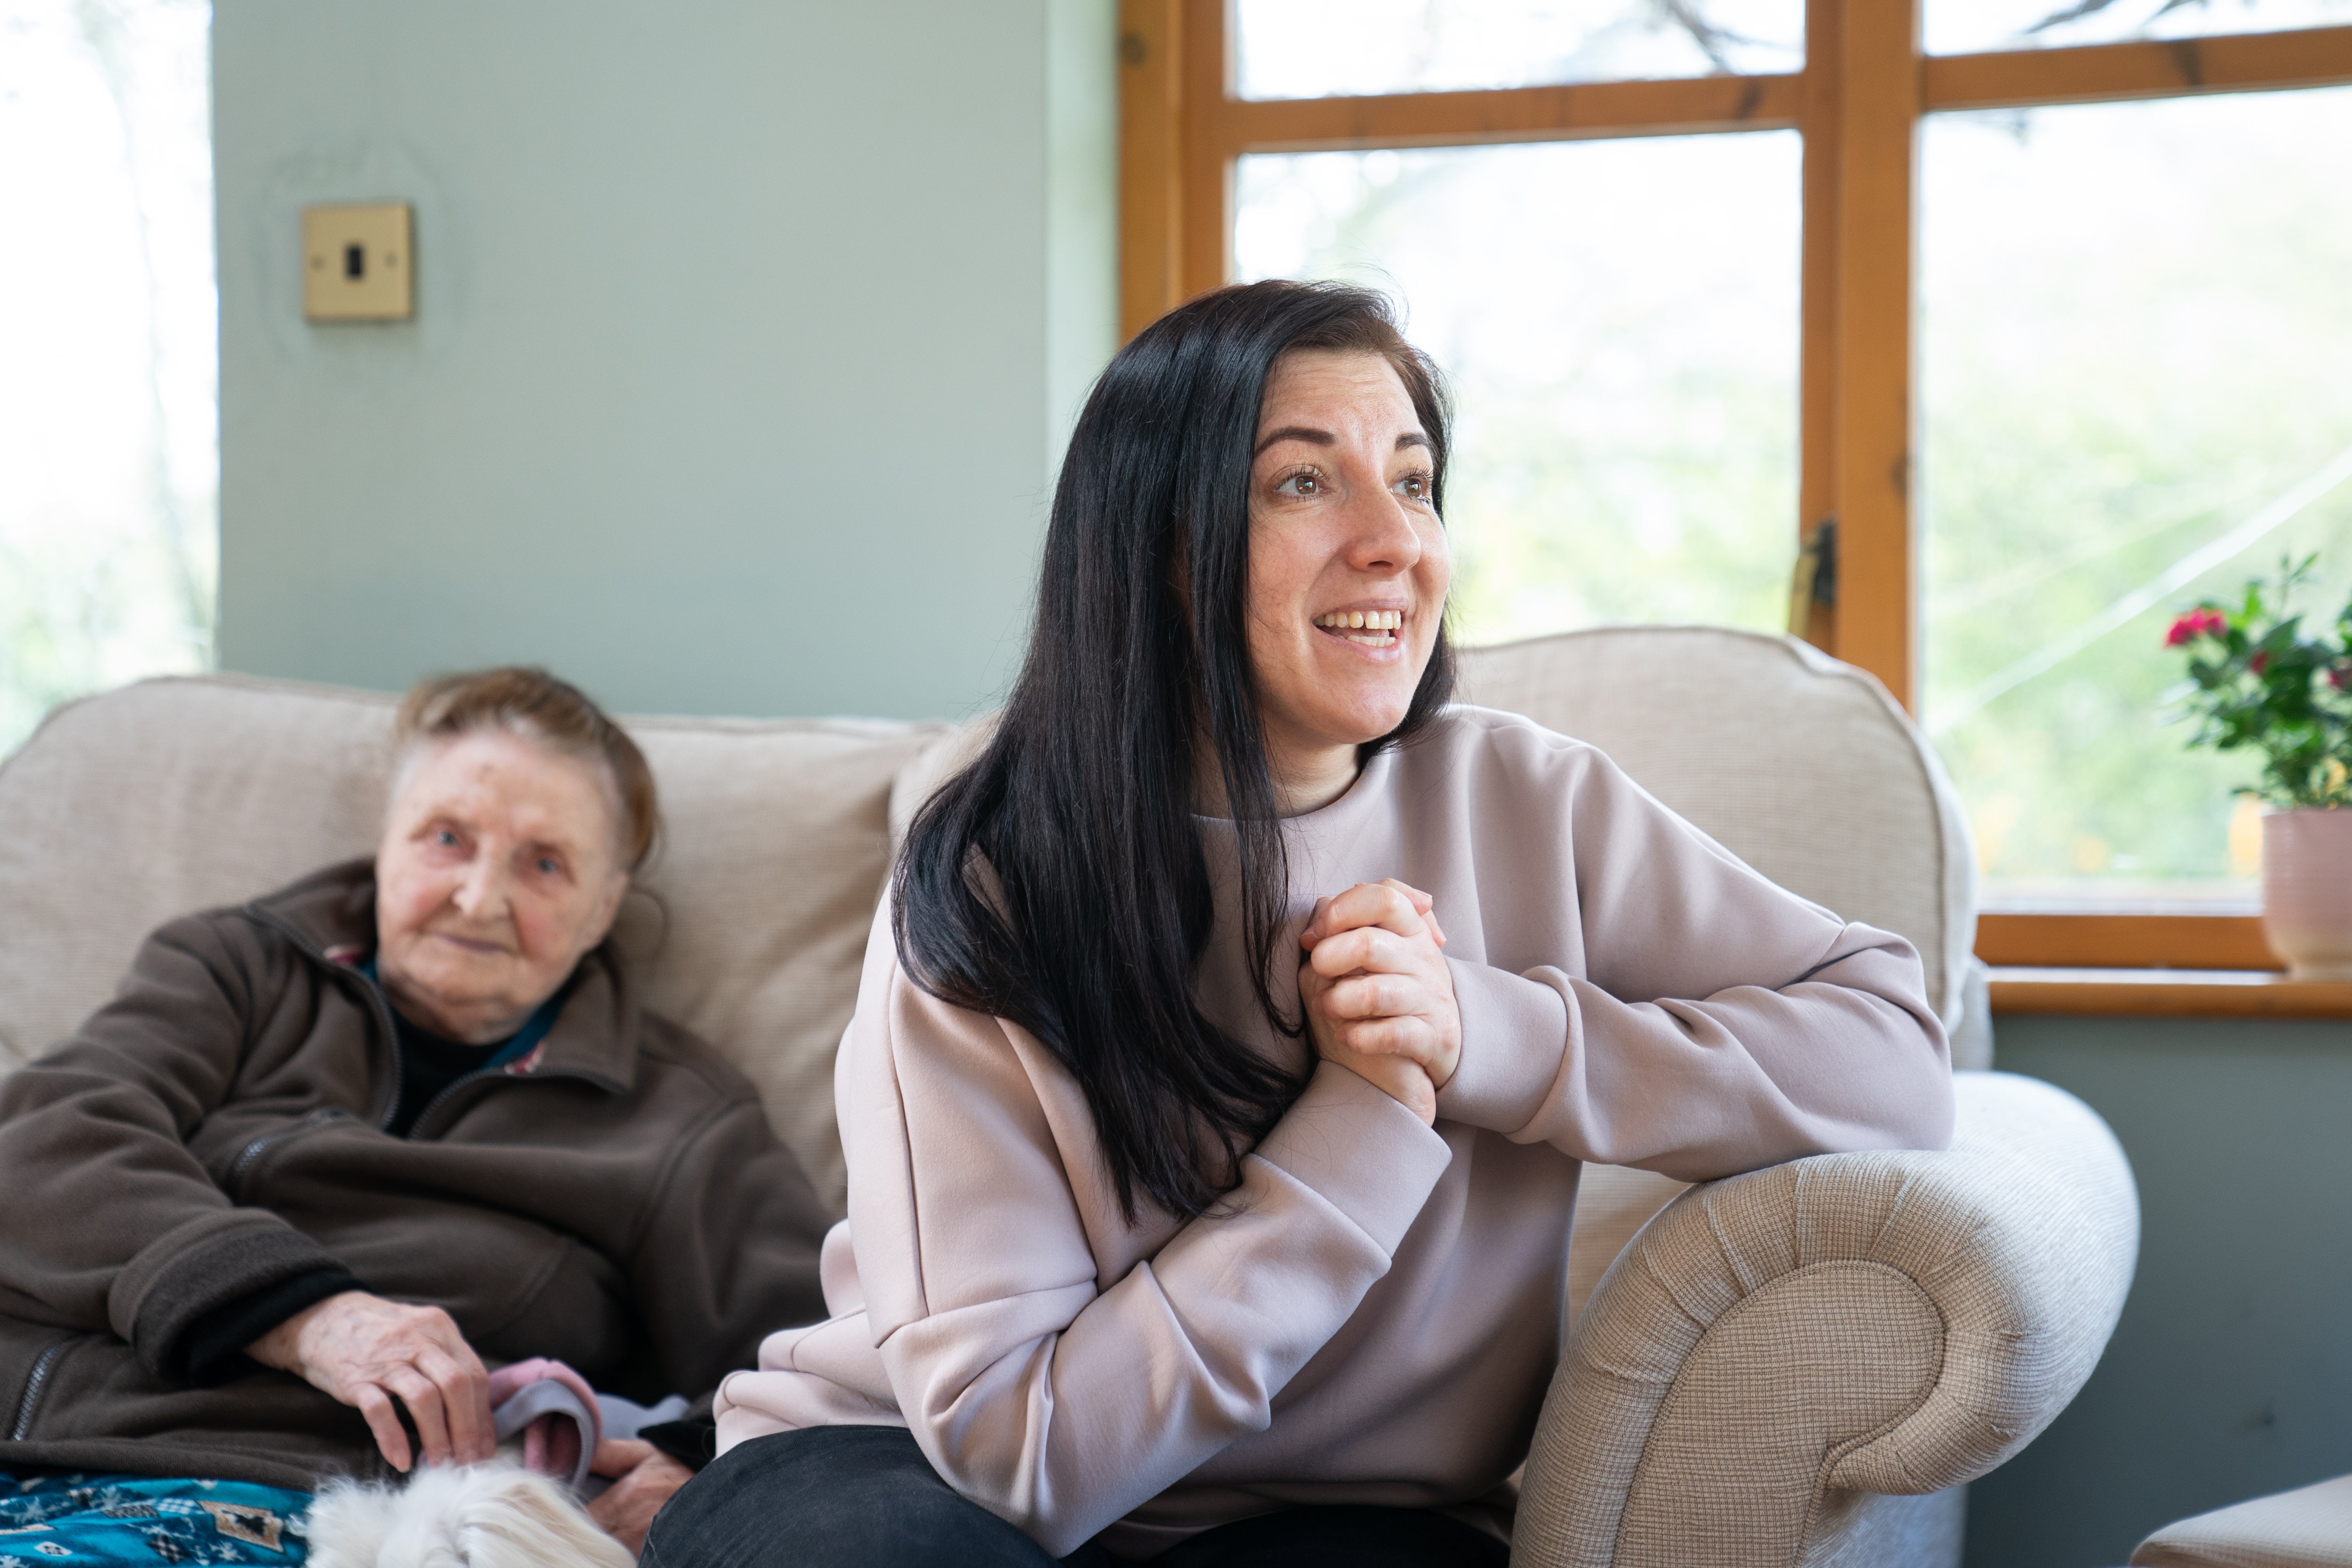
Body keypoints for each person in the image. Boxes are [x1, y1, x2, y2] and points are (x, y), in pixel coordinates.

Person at [647, 280, 1957, 1568]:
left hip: (1343, 1515)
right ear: (1160, 549)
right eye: (1303, 482)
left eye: (1415, 479)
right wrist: (1369, 1117)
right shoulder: (994, 883)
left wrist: (1497, 1034)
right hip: (909, 1473)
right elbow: (1021, 1450)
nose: (1396, 540)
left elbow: (1893, 1050)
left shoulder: (1528, 800)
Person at [0, 667, 832, 1560]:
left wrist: (699, 1464)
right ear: (385, 842)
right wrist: (311, 1316)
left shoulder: (679, 1116)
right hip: (38, 1442)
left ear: (604, 907)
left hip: (302, 1502)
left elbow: (818, 1348)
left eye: (545, 864)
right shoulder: (237, 967)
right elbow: (44, 1134)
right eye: (447, 838)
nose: (480, 897)